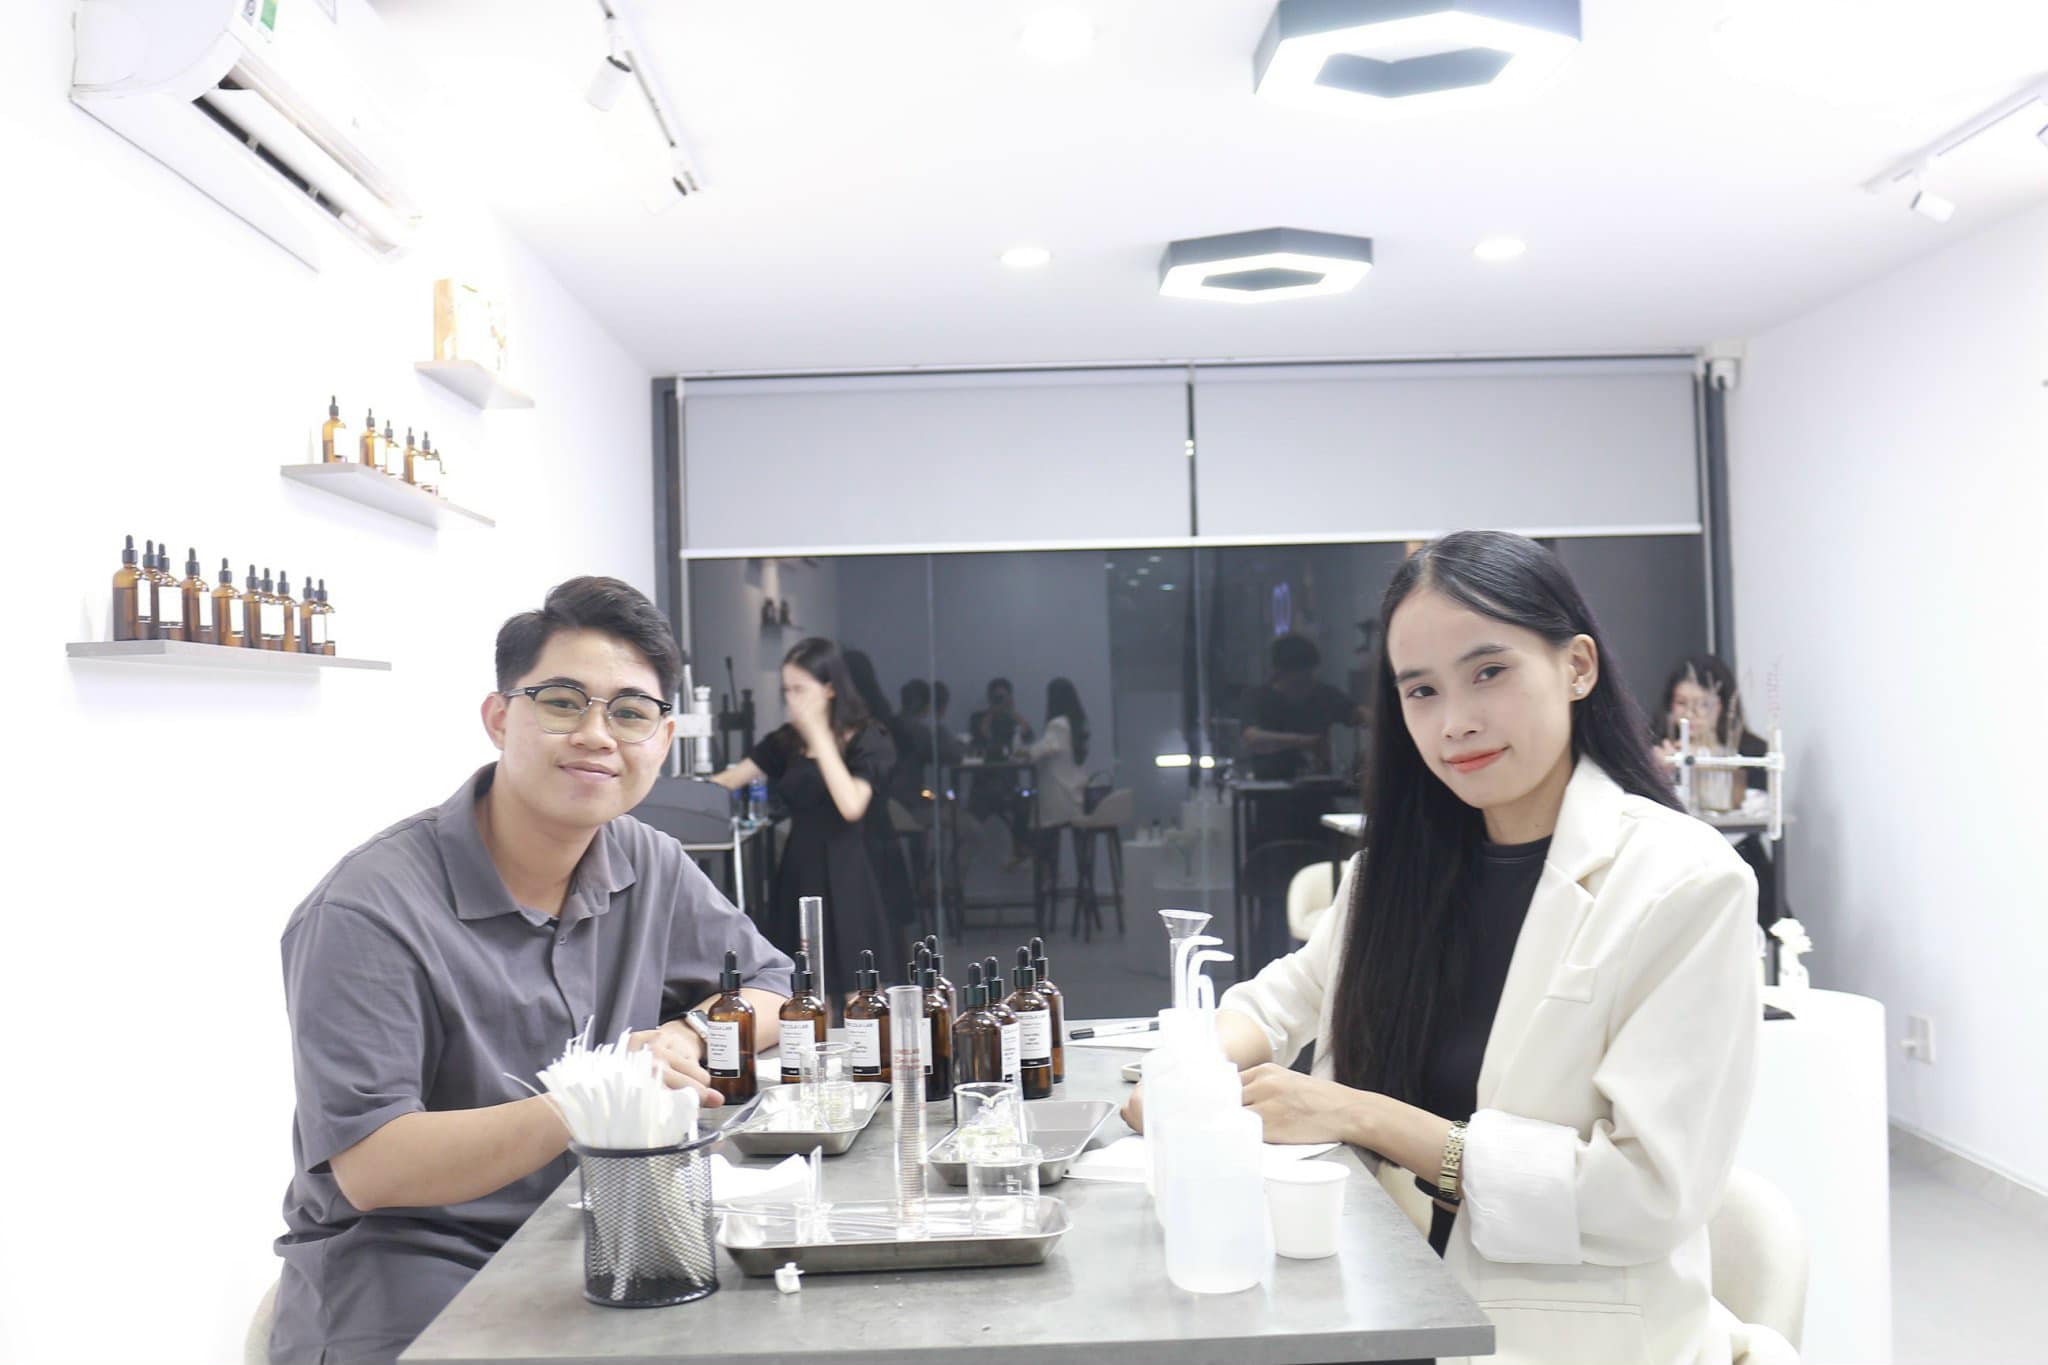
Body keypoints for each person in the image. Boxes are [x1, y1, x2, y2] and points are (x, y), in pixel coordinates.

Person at [1123, 532, 1759, 1365]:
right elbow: (1282, 999)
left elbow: (1643, 1195)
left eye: (1488, 671)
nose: (1455, 721)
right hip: (1371, 1299)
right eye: (1421, 690)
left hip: (1565, 1335)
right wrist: (1189, 1072)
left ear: (1577, 666)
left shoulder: (1685, 882)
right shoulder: (1396, 871)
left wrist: (1358, 1114)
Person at [271, 577, 793, 1365]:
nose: (596, 734)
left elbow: (772, 986)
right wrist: (600, 1092)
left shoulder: (645, 859)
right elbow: (374, 1165)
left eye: (630, 712)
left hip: (589, 1240)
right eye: (562, 702)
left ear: (663, 739)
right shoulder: (366, 908)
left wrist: (686, 1034)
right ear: (498, 717)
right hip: (407, 1274)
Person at [712, 637, 897, 998]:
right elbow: (729, 780)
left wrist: (820, 738)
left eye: (800, 689)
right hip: (800, 868)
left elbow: (851, 806)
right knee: (803, 989)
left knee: (858, 991)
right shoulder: (786, 741)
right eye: (787, 690)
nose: (791, 699)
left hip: (851, 870)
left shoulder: (867, 738)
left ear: (830, 689)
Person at [1656, 654, 1780, 927]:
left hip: (1739, 860)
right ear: (1669, 705)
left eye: (1704, 704)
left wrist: (1713, 764)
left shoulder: (1749, 752)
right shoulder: (1654, 752)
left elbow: (1759, 807)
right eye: (1682, 703)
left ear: (1722, 705)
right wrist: (1659, 774)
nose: (1692, 714)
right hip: (1675, 870)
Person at [1240, 633, 1364, 781]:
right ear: (1280, 672)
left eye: (1310, 675)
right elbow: (1253, 739)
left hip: (1318, 787)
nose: (1307, 683)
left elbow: (1359, 714)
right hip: (1270, 787)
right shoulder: (1258, 698)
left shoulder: (1324, 695)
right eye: (1300, 677)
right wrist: (1306, 742)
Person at [1022, 676, 1091, 826]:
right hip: (1075, 792)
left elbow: (1044, 749)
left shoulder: (1057, 724)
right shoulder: (1076, 724)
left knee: (1040, 826)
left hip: (1059, 796)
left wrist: (1025, 752)